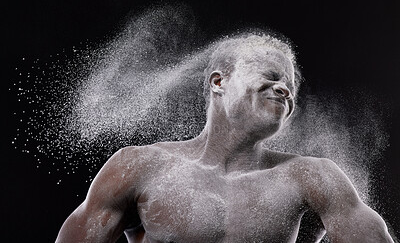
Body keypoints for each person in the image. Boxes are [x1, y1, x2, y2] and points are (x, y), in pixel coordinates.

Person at [56, 34, 394, 243]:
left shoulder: (312, 177)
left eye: (291, 87)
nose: (285, 90)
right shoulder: (139, 165)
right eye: (272, 76)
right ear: (219, 82)